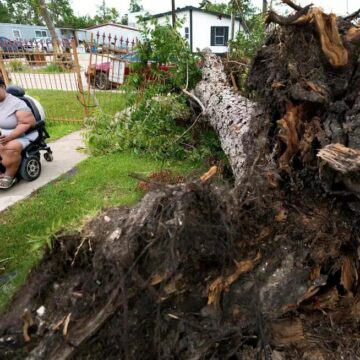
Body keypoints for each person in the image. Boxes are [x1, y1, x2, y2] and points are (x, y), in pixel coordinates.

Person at [0, 78, 37, 189]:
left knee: (9, 148)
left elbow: (27, 123)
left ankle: (10, 176)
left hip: (22, 135)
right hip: (3, 136)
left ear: (2, 87)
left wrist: (10, 136)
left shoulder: (17, 103)